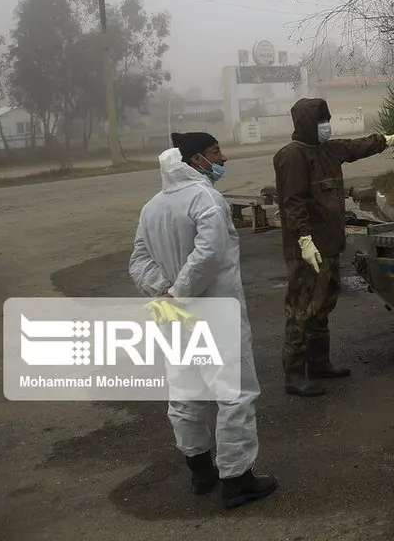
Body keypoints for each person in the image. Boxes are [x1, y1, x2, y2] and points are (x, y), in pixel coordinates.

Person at [128, 131, 278, 509]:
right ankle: (236, 479)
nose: (223, 158)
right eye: (216, 152)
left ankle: (200, 471)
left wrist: (164, 293)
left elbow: (139, 262)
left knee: (185, 393)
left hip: (173, 318)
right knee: (234, 395)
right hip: (214, 314)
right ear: (195, 159)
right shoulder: (206, 199)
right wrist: (179, 294)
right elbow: (209, 254)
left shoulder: (152, 207)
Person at [273, 98, 394, 397]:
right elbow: (293, 202)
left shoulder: (328, 150)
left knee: (323, 304)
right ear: (308, 123)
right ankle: (294, 375)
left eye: (327, 120)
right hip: (306, 250)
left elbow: (355, 147)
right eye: (322, 121)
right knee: (301, 308)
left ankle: (319, 363)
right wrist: (304, 239)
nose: (326, 126)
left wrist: (385, 140)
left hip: (330, 246)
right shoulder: (292, 156)